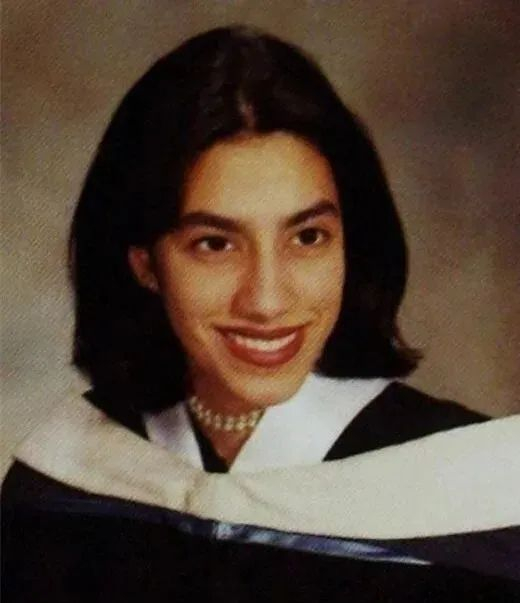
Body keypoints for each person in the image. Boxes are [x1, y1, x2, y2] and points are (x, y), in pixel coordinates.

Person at [2, 25, 519, 601]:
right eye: (215, 244)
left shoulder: (479, 493)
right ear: (146, 264)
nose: (267, 300)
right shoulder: (66, 485)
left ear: (352, 243)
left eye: (308, 237)